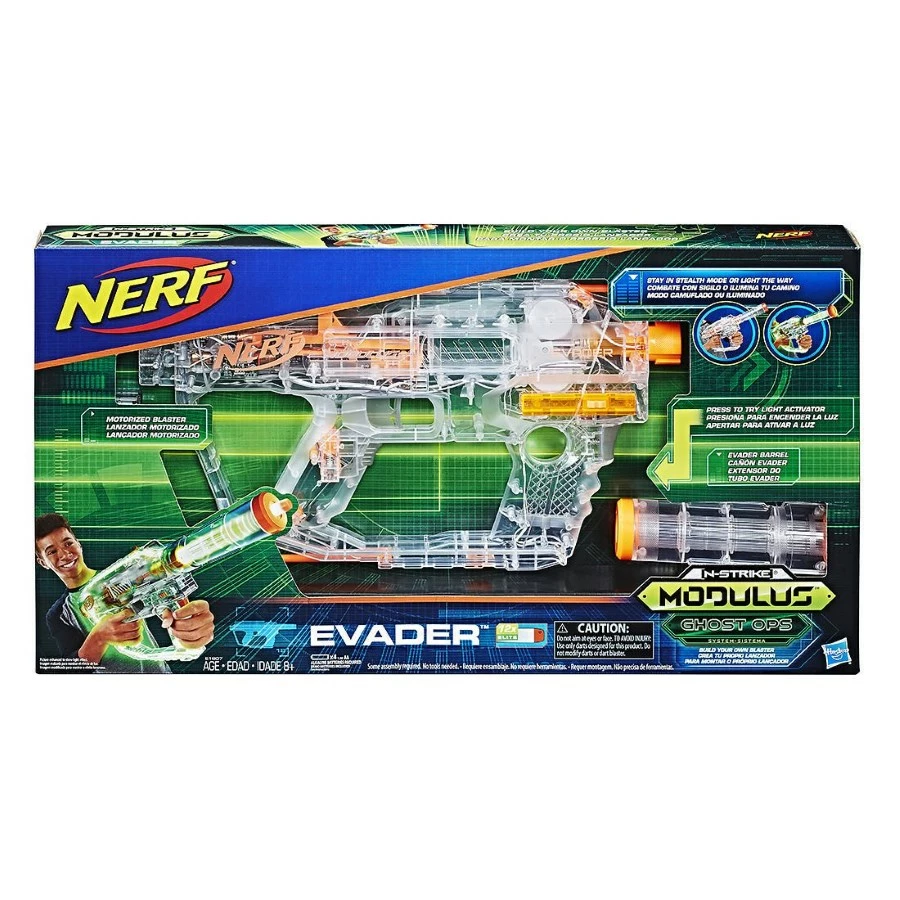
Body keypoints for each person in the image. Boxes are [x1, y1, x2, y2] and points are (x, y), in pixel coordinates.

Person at [35, 512, 215, 672]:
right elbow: (71, 669)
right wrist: (100, 637)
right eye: (51, 552)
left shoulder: (123, 574)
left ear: (78, 544)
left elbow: (168, 604)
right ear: (42, 562)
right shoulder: (59, 614)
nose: (64, 554)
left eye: (68, 543)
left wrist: (189, 632)